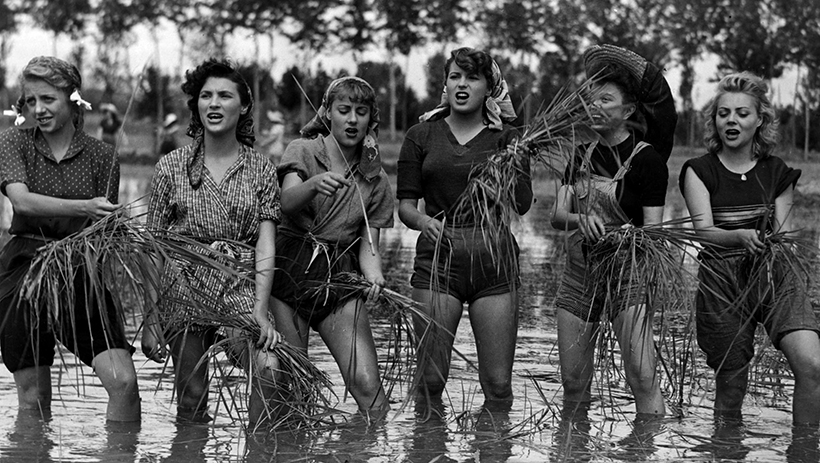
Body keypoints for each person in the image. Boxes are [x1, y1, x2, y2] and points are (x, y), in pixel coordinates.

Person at [140, 58, 282, 426]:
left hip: (239, 286)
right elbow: (153, 247)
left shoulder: (261, 168)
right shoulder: (171, 167)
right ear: (196, 104)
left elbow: (266, 244)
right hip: (183, 287)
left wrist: (260, 309)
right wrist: (151, 319)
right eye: (206, 96)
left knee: (268, 368)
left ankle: (258, 446)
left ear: (244, 106)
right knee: (192, 396)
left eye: (224, 96)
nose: (214, 104)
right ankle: (189, 448)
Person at [0, 56, 140, 422]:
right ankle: (30, 449)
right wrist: (84, 207)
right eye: (31, 101)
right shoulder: (14, 141)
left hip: (79, 270)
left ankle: (120, 449)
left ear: (73, 99)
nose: (38, 109)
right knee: (34, 398)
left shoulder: (103, 156)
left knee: (124, 383)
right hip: (24, 270)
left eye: (48, 99)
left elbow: (102, 231)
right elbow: (22, 201)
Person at [680, 72, 820, 425]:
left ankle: (804, 448)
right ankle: (727, 447)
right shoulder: (699, 170)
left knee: (813, 365)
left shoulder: (777, 172)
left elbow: (783, 233)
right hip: (721, 281)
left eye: (742, 113)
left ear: (759, 120)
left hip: (774, 273)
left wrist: (784, 253)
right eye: (723, 113)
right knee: (732, 385)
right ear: (714, 120)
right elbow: (704, 232)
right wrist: (739, 236)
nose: (732, 120)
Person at [397, 47, 532, 402]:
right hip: (438, 261)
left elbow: (522, 204)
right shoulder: (421, 135)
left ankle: (494, 436)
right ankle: (427, 438)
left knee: (498, 385)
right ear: (445, 84)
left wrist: (516, 163)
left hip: (494, 261)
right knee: (430, 381)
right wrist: (423, 221)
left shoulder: (507, 138)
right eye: (455, 76)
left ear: (489, 88)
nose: (462, 84)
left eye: (472, 78)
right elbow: (405, 207)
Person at [550, 44, 677, 416]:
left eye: (606, 99)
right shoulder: (580, 154)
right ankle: (574, 443)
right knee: (573, 382)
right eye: (592, 99)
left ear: (629, 110)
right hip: (579, 274)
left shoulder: (647, 160)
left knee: (641, 377)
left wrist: (620, 233)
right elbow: (557, 215)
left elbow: (653, 233)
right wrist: (580, 220)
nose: (595, 105)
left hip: (628, 275)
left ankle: (647, 440)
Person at [269, 76, 392, 419]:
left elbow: (368, 242)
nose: (352, 119)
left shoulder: (375, 178)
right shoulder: (303, 150)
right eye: (344, 110)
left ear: (370, 119)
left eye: (361, 112)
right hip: (289, 270)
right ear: (328, 113)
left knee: (368, 387)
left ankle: (367, 442)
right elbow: (286, 201)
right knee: (293, 385)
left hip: (337, 276)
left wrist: (374, 275)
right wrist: (314, 184)